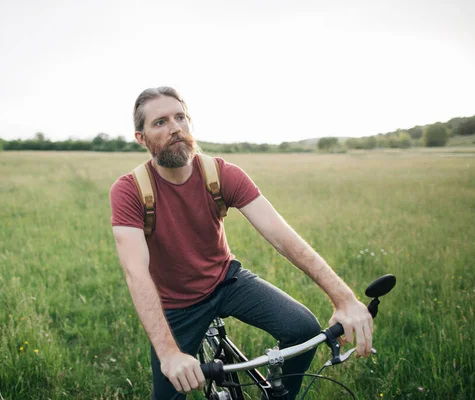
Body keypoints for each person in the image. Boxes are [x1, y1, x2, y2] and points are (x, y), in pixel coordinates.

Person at [109, 87, 373, 400]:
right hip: (175, 304)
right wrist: (169, 354)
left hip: (227, 281)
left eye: (180, 117)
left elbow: (283, 237)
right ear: (141, 138)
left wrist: (344, 298)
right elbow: (136, 271)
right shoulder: (130, 190)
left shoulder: (222, 175)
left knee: (302, 328)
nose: (175, 127)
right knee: (168, 394)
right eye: (161, 122)